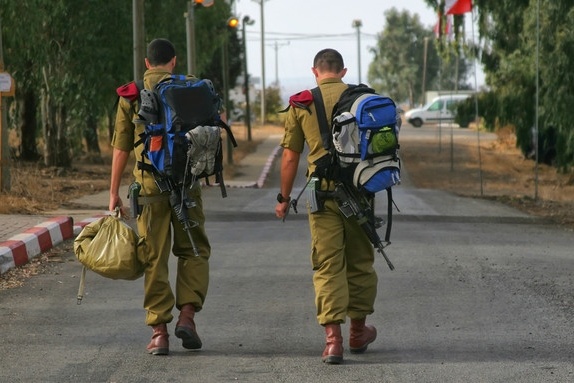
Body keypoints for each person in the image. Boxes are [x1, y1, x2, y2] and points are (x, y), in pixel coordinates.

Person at [275, 48, 378, 364]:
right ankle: (358, 332)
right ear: (343, 72)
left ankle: (333, 341)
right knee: (360, 261)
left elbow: (291, 157)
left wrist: (283, 198)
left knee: (327, 263)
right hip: (360, 192)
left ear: (315, 71)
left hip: (319, 195)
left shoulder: (302, 103)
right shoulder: (362, 99)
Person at [109, 38, 211, 356]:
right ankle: (188, 317)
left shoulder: (132, 94)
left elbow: (121, 147)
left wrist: (113, 192)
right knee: (194, 251)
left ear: (146, 63)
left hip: (149, 188)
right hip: (187, 184)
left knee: (154, 257)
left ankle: (159, 333)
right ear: (174, 61)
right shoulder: (193, 88)